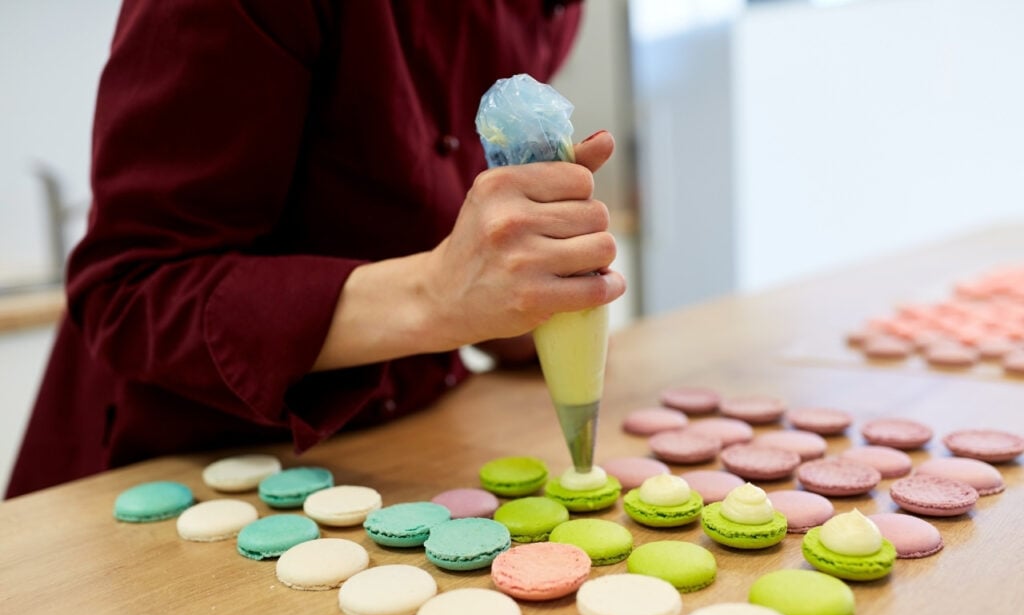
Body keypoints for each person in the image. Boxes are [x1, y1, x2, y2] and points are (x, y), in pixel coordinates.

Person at [6, 0, 625, 497]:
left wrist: (517, 293)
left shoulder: (553, 9)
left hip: (400, 441)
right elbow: (127, 288)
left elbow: (408, 200)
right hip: (176, 469)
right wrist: (436, 294)